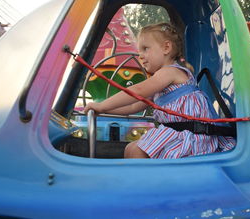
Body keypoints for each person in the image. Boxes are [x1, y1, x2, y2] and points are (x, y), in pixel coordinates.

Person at [84, 22, 236, 158]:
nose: (140, 56)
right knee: (130, 148)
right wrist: (102, 111)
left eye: (145, 49)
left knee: (137, 150)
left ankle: (145, 187)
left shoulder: (170, 72)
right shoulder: (161, 82)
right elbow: (132, 107)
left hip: (191, 137)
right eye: (139, 51)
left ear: (166, 48)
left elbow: (139, 90)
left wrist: (102, 105)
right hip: (178, 133)